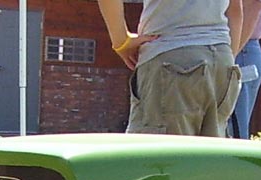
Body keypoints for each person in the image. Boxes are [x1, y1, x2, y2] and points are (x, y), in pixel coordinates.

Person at [97, 0, 243, 137]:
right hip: (222, 58)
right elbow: (236, 9)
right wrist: (228, 59)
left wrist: (120, 41)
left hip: (170, 56)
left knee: (159, 159)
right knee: (210, 159)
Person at [228, 0, 261, 139]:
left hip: (240, 47)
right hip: (244, 48)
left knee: (233, 133)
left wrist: (230, 55)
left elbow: (254, 4)